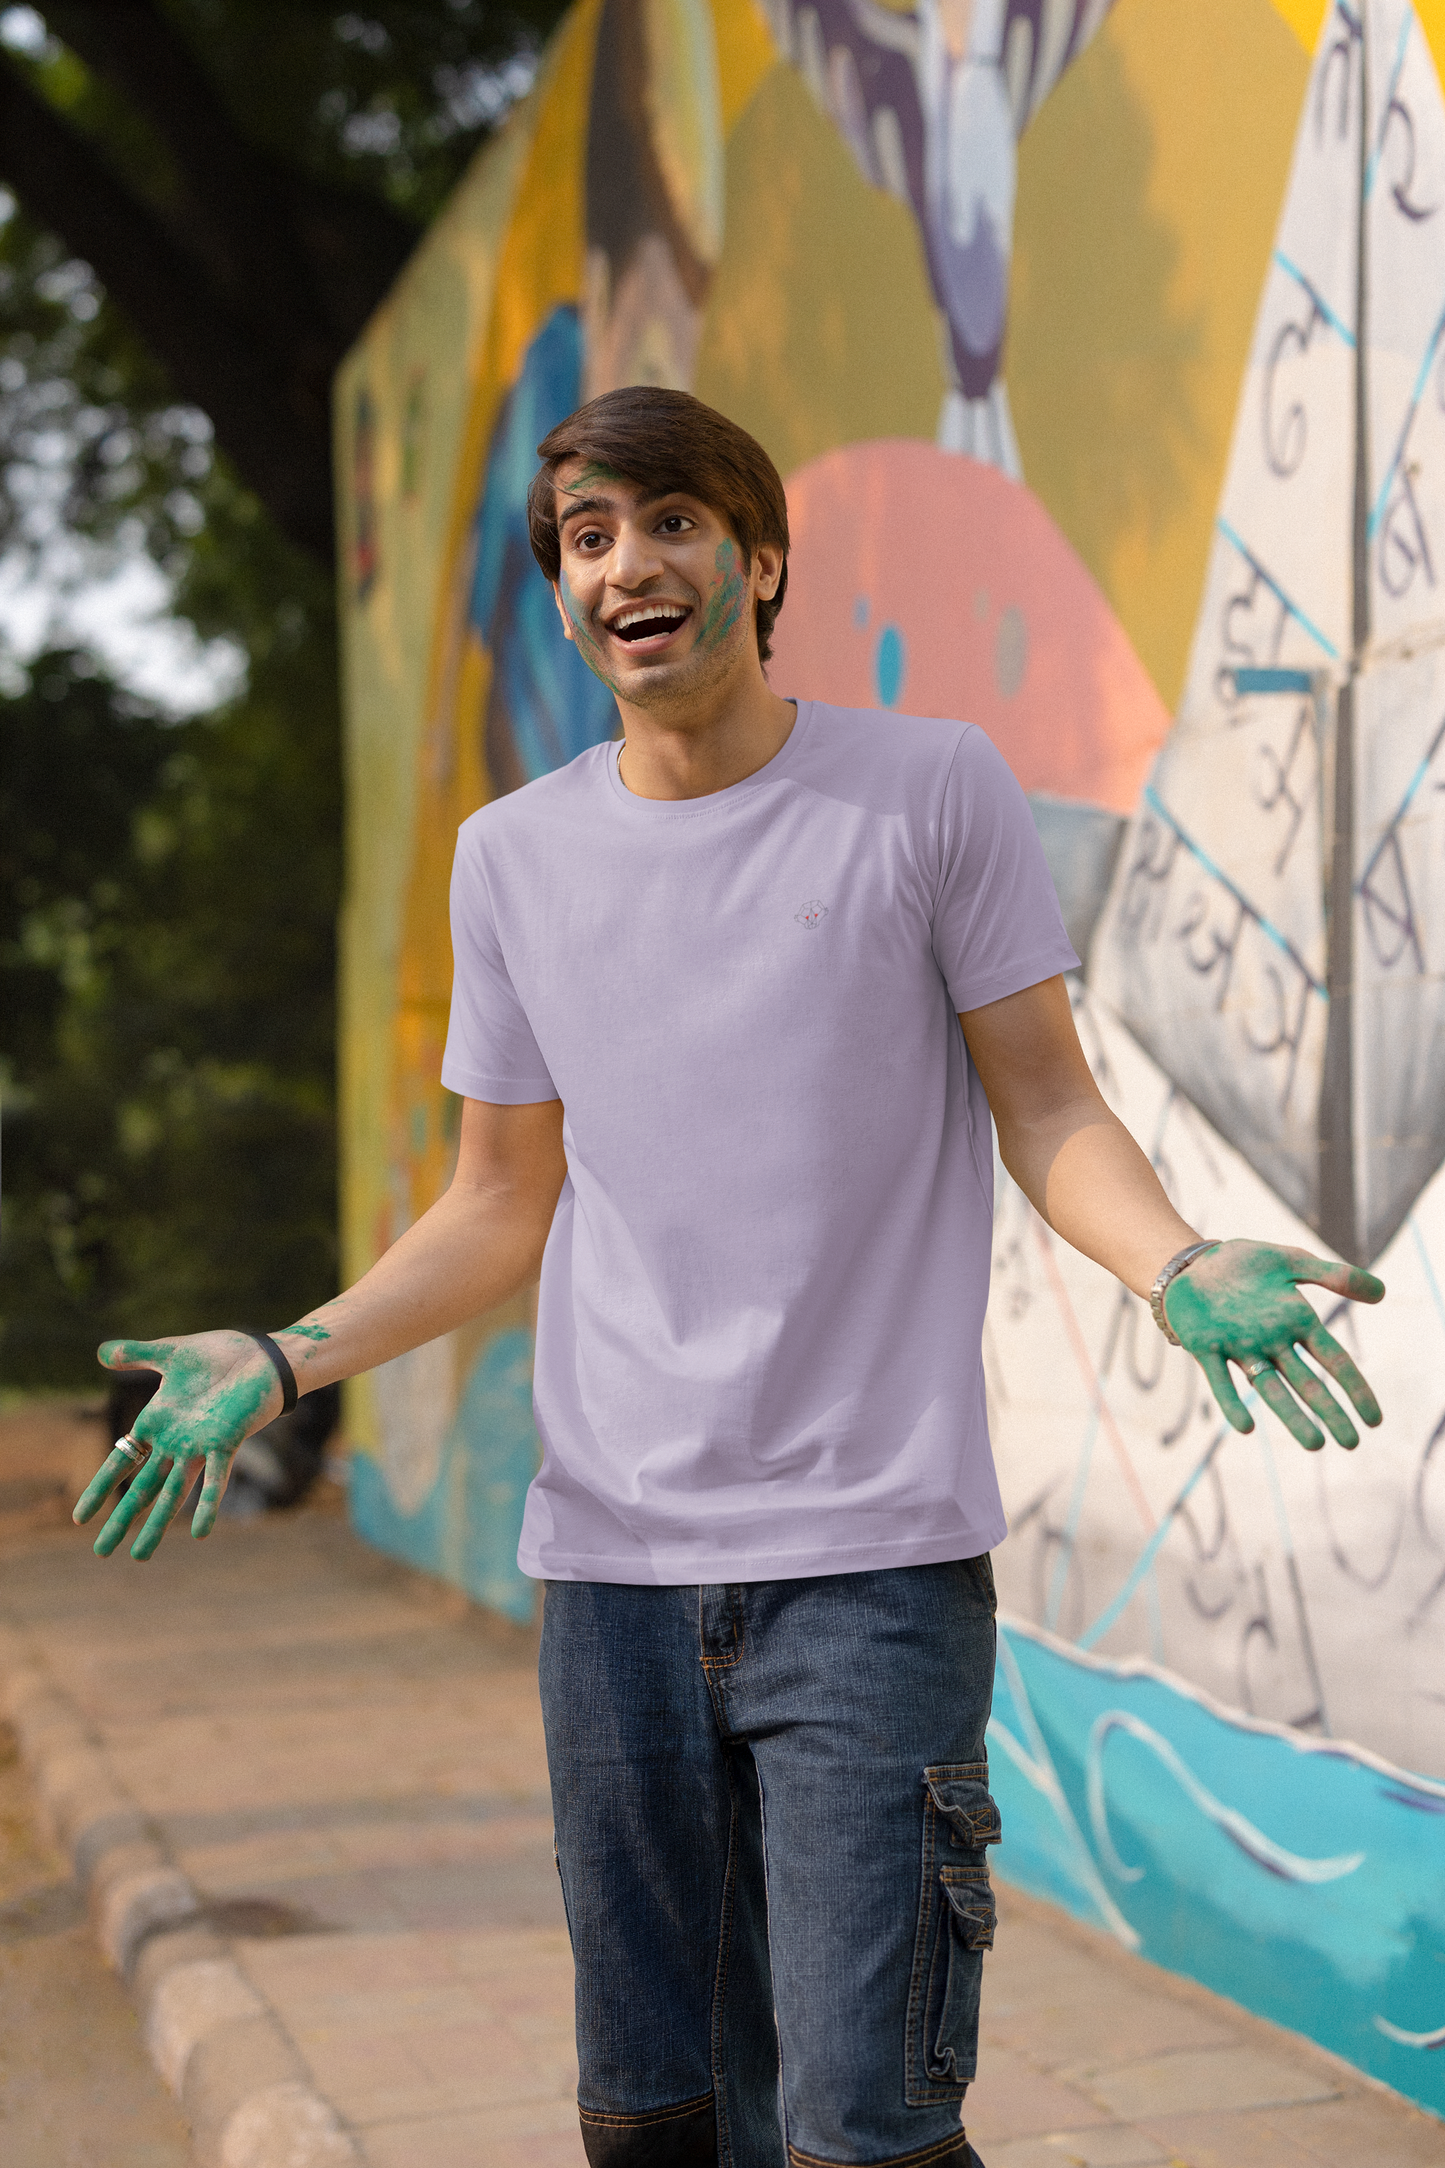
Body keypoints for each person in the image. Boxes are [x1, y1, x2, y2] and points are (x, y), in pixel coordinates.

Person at [77, 387, 1385, 2168]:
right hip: (611, 1582)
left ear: (760, 561)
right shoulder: (511, 860)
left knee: (865, 2120)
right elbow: (496, 1199)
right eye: (591, 535)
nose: (632, 560)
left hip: (870, 1568)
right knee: (662, 2121)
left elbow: (1050, 1101)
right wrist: (287, 1353)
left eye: (674, 520)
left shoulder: (929, 790)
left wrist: (1177, 1262)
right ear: (564, 595)